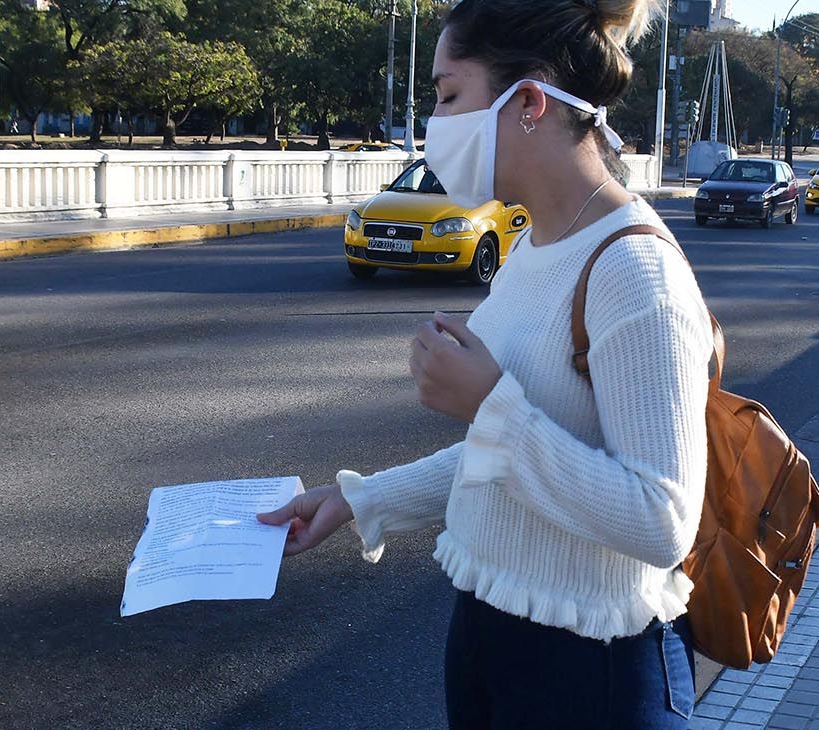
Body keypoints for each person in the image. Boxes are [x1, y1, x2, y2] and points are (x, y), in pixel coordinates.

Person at [259, 1, 714, 727]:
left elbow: (662, 520)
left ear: (529, 101)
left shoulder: (634, 270)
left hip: (589, 669)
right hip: (491, 634)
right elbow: (505, 459)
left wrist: (490, 404)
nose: (434, 124)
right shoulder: (534, 245)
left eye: (448, 95)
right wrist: (359, 498)